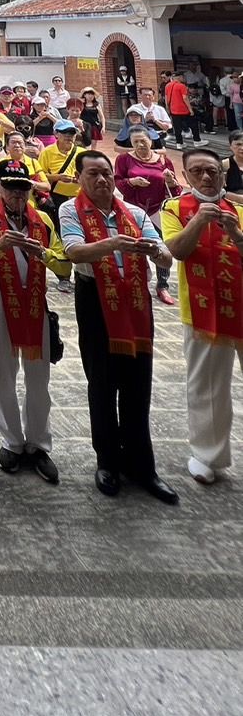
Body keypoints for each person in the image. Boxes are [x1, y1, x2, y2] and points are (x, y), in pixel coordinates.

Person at [58, 151, 178, 504]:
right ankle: (107, 461)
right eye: (92, 174)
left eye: (106, 173)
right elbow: (74, 251)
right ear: (79, 178)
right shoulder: (70, 210)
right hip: (96, 300)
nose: (101, 180)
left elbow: (165, 253)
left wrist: (158, 255)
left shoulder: (136, 213)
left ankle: (143, 466)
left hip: (135, 302)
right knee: (103, 382)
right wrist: (112, 244)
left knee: (138, 383)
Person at [0, 161, 69, 484]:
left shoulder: (41, 220)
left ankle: (39, 443)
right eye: (10, 187)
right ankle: (12, 441)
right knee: (4, 370)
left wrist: (43, 255)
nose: (17, 194)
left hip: (35, 297)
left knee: (38, 375)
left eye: (22, 188)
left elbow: (65, 267)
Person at [160, 147, 243, 487]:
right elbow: (176, 250)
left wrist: (236, 233)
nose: (206, 177)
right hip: (202, 309)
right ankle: (206, 455)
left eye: (212, 171)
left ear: (223, 174)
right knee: (206, 384)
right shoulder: (174, 208)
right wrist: (198, 220)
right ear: (185, 175)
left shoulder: (238, 208)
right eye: (197, 171)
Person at [113, 127, 177, 304]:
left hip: (157, 209)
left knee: (161, 246)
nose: (140, 144)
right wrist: (131, 182)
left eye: (143, 140)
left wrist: (170, 181)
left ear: (151, 140)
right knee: (131, 245)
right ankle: (133, 280)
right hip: (133, 208)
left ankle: (162, 284)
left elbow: (176, 190)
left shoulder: (163, 160)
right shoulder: (124, 159)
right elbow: (118, 181)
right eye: (135, 142)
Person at [165, 71, 201, 146]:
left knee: (177, 127)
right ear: (179, 77)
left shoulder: (167, 85)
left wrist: (167, 107)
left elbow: (166, 98)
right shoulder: (182, 86)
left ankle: (179, 143)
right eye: (183, 77)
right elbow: (185, 98)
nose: (184, 78)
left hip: (173, 109)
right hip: (183, 110)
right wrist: (190, 109)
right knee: (194, 124)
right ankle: (197, 140)